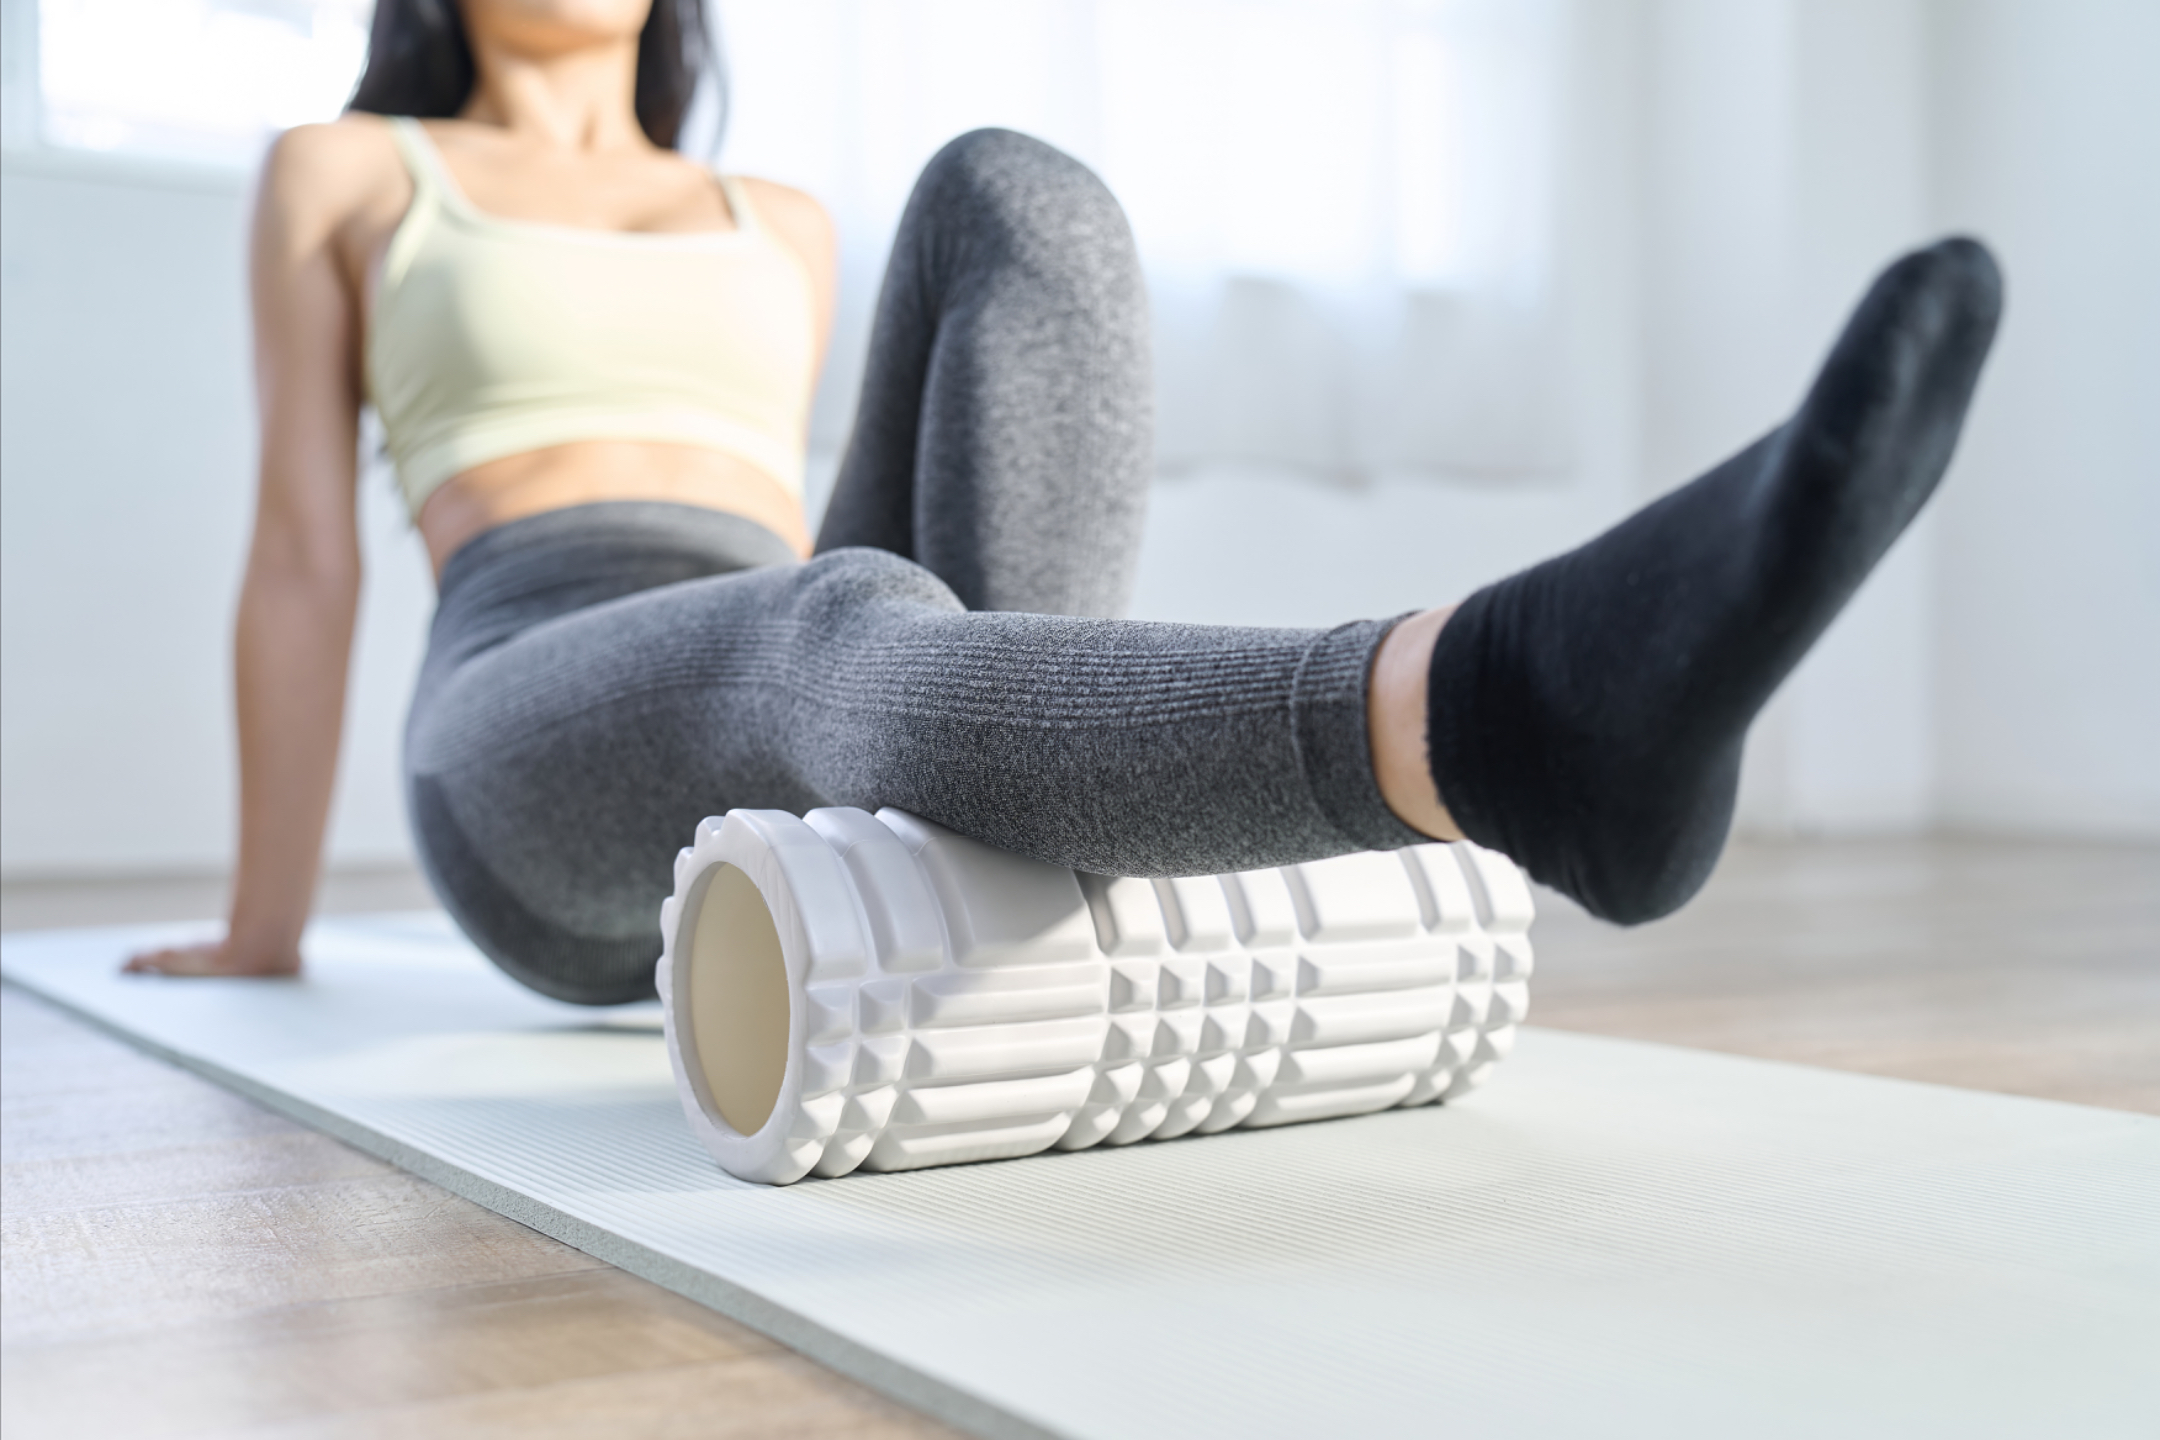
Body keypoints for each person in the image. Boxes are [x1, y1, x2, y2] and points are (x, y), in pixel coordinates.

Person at [126, 0, 2001, 1003]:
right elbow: (301, 559)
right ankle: (1501, 720)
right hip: (538, 745)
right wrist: (264, 926)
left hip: (783, 675)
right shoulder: (350, 168)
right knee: (822, 619)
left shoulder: (767, 213)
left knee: (1018, 192)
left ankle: (1010, 887)